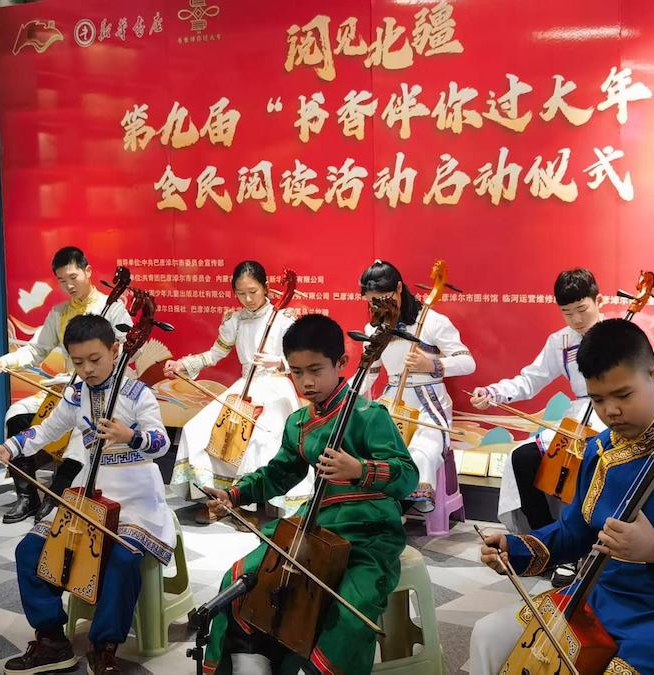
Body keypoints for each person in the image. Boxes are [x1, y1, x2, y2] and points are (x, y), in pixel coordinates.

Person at [469, 319, 654, 673]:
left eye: (623, 395)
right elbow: (576, 530)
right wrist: (515, 548)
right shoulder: (600, 449)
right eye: (598, 399)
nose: (611, 411)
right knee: (489, 634)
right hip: (604, 597)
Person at [200, 313, 419, 674]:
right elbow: (280, 473)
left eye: (316, 370)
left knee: (351, 611)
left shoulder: (369, 415)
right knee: (242, 581)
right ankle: (255, 664)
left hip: (370, 533)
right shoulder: (299, 422)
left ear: (341, 363)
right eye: (297, 372)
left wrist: (360, 470)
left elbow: (408, 476)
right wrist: (234, 495)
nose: (306, 382)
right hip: (316, 527)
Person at [0, 314, 174, 675]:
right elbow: (45, 431)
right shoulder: (76, 395)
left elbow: (161, 443)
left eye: (94, 359)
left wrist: (130, 435)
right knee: (30, 550)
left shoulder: (139, 395)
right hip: (90, 489)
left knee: (122, 558)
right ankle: (52, 639)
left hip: (136, 495)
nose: (86, 369)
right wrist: (9, 448)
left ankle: (105, 646)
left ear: (115, 351)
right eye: (77, 362)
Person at [470, 268, 654, 533]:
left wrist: (639, 382)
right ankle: (543, 536)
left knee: (598, 460)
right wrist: (494, 393)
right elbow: (530, 379)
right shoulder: (560, 341)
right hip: (580, 415)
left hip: (615, 415)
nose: (576, 319)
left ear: (599, 300)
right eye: (567, 313)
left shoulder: (622, 333)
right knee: (523, 457)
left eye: (582, 309)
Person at [0, 246, 131, 523]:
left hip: (99, 388)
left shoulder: (112, 308)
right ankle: (27, 495)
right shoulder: (59, 312)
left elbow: (125, 352)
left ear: (88, 271)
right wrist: (3, 362)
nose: (69, 286)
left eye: (73, 277)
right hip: (65, 387)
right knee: (16, 415)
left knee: (83, 428)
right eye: (62, 280)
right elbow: (36, 350)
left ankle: (57, 496)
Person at [168, 261, 310, 522]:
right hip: (244, 387)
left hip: (275, 387)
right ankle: (216, 500)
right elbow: (214, 354)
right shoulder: (236, 319)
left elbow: (304, 359)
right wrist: (182, 364)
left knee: (257, 440)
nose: (248, 299)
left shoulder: (282, 319)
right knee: (197, 429)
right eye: (241, 293)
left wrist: (280, 362)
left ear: (266, 287)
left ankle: (248, 505)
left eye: (253, 292)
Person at [357, 260, 475, 511]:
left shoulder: (432, 321)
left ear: (399, 288)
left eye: (384, 298)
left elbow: (467, 362)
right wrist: (344, 396)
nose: (379, 307)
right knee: (370, 450)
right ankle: (380, 509)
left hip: (429, 403)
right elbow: (369, 373)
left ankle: (400, 507)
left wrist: (431, 364)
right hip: (392, 401)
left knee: (422, 451)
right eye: (372, 302)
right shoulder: (373, 328)